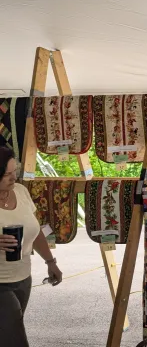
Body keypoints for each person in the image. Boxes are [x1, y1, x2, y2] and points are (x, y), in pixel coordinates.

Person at [0, 146, 63, 347]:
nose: (13, 178)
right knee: (16, 339)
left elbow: (34, 233)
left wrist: (51, 262)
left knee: (5, 336)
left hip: (23, 279)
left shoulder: (21, 191)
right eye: (7, 174)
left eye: (14, 172)